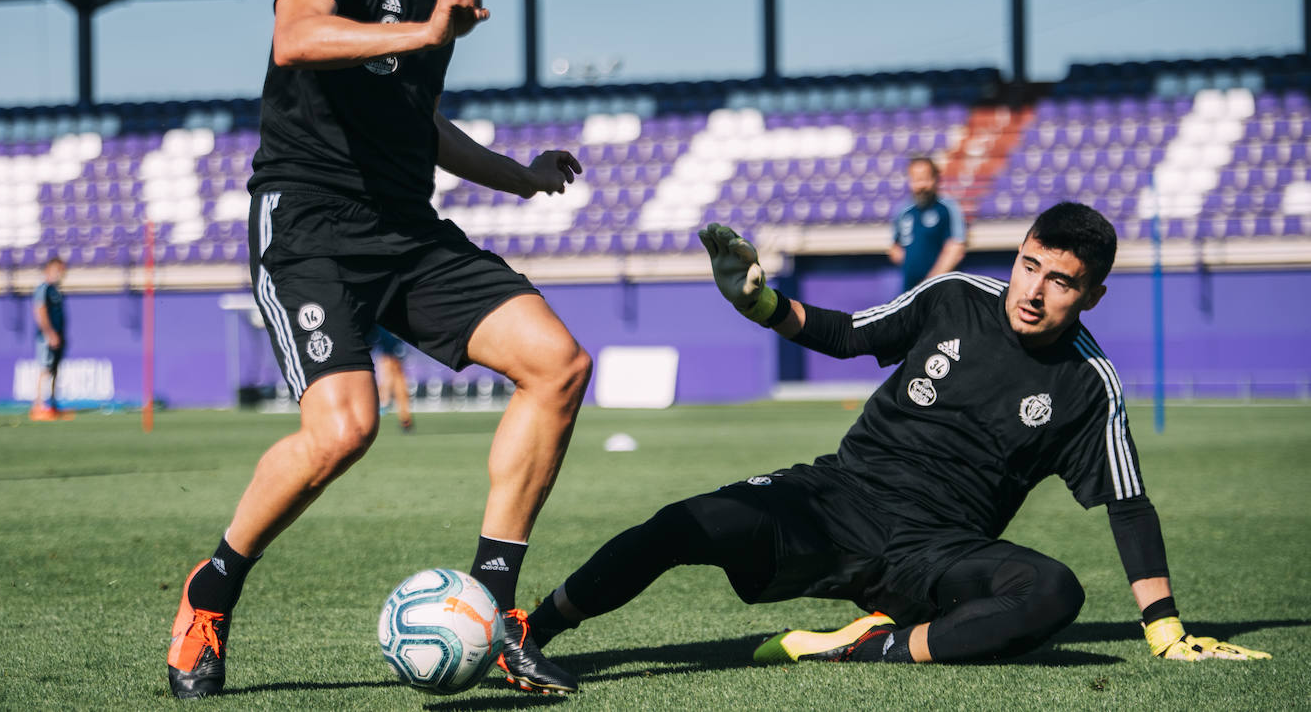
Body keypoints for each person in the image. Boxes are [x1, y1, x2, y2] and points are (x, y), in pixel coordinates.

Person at [167, 0, 591, 699]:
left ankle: (498, 612)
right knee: (345, 429)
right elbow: (296, 36)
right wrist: (424, 31)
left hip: (407, 230)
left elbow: (420, 122)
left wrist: (519, 176)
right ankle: (211, 593)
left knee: (558, 364)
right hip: (311, 225)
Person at [522, 205, 1269, 677]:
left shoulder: (1089, 384)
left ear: (1092, 295)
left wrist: (1164, 628)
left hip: (933, 551)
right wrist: (759, 303)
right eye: (1029, 265)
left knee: (1052, 593)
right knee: (681, 524)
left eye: (1061, 282)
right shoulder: (953, 298)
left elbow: (1129, 506)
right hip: (833, 500)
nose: (1034, 291)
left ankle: (862, 644)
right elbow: (847, 335)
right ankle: (534, 627)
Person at [888, 156, 966, 291]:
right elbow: (895, 248)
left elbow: (956, 247)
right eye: (916, 180)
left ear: (936, 178)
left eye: (925, 179)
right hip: (910, 289)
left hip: (942, 288)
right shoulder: (903, 211)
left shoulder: (947, 208)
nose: (921, 185)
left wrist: (931, 280)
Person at [29, 256, 71, 421]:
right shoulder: (43, 288)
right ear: (48, 270)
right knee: (45, 369)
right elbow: (40, 310)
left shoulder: (56, 290)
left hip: (58, 335)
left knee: (54, 370)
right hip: (47, 336)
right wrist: (49, 333)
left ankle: (52, 404)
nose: (60, 274)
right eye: (57, 270)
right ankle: (38, 405)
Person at [368, 325, 415, 432]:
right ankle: (385, 401)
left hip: (389, 331)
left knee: (393, 367)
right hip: (385, 330)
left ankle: (385, 401)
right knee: (391, 367)